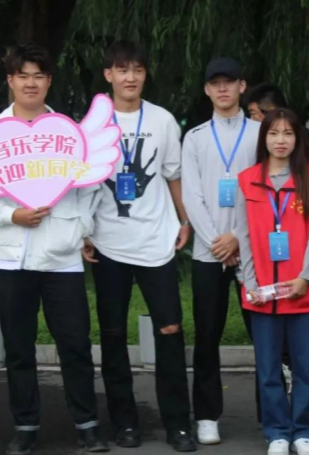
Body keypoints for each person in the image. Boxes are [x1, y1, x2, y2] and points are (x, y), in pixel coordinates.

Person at [0, 43, 109, 455]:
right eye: (22, 75)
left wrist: (80, 230)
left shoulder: (68, 131)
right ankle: (25, 426)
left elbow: (91, 188)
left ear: (48, 81)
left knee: (75, 344)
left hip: (61, 256)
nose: (31, 83)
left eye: (38, 76)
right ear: (10, 80)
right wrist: (12, 215)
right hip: (9, 256)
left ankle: (87, 423)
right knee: (18, 347)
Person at [82, 40, 196, 452]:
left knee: (170, 329)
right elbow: (83, 183)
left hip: (156, 240)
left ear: (145, 75)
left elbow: (173, 175)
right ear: (108, 75)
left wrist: (184, 220)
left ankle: (178, 424)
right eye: (122, 70)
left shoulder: (163, 120)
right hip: (108, 243)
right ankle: (124, 423)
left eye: (138, 70)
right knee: (113, 335)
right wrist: (83, 232)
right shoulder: (93, 123)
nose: (130, 78)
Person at [235, 108, 309, 456]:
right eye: (273, 133)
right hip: (262, 292)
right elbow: (244, 235)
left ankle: (303, 431)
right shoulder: (247, 180)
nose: (281, 140)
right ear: (264, 138)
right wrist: (249, 281)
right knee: (268, 369)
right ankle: (277, 432)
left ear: (298, 138)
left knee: (305, 367)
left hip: (301, 290)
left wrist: (306, 277)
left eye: (288, 133)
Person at [181, 57, 260, 445]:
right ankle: (207, 415)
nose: (223, 88)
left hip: (253, 250)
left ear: (242, 86)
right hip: (208, 252)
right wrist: (218, 242)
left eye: (230, 82)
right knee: (207, 334)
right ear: (207, 90)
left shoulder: (261, 134)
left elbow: (266, 193)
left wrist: (239, 239)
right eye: (216, 83)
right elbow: (191, 196)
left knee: (264, 334)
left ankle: (273, 412)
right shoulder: (195, 138)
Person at [245, 83, 309, 158]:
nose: (251, 119)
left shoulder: (304, 136)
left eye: (253, 113)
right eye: (273, 134)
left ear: (271, 111)